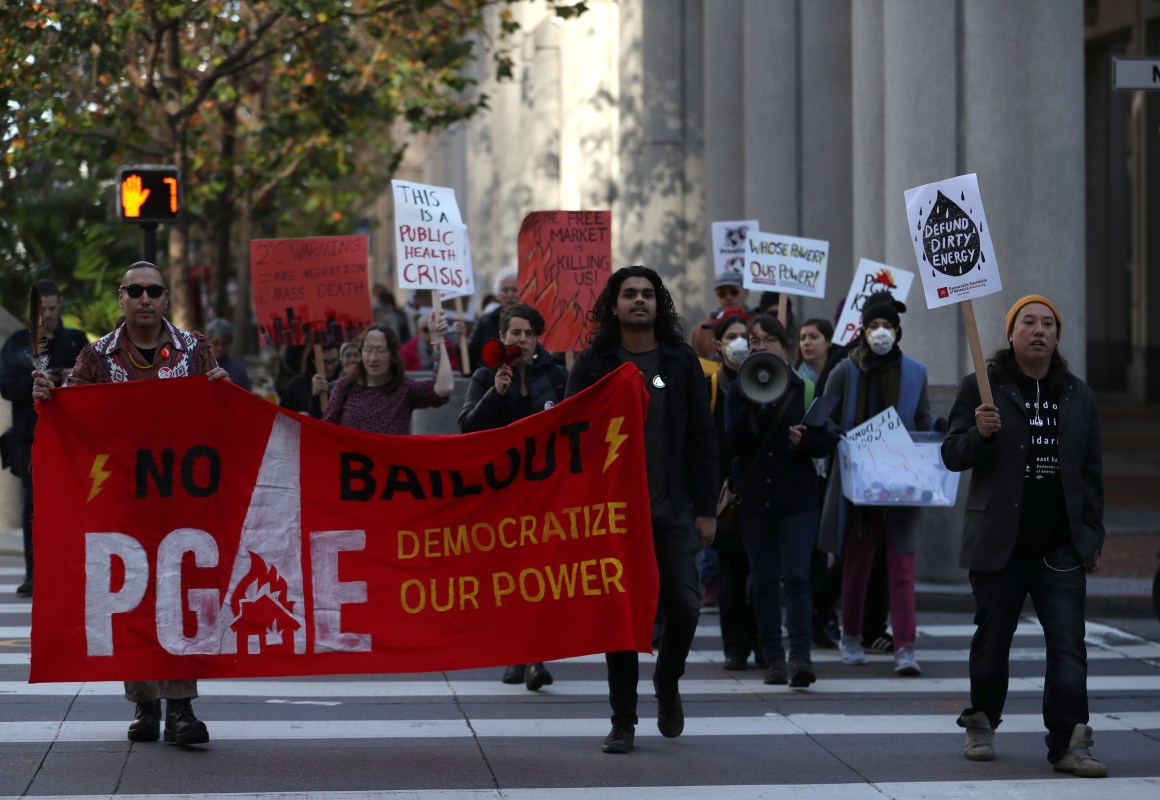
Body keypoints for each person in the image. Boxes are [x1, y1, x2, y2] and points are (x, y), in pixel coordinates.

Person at [31, 261, 229, 746]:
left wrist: (225, 394)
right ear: (121, 298)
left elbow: (220, 416)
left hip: (183, 498)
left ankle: (181, 708)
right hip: (122, 500)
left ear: (166, 299)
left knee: (180, 595)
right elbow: (76, 414)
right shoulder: (95, 357)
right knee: (132, 594)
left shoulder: (194, 350)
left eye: (154, 291)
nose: (145, 298)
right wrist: (49, 399)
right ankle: (144, 704)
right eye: (135, 290)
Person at [941, 295, 1107, 777]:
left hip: (1060, 548)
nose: (1039, 330)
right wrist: (979, 434)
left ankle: (1069, 742)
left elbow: (1091, 473)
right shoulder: (982, 387)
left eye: (1048, 324)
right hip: (1000, 545)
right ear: (1011, 334)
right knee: (992, 643)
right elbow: (952, 454)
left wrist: (1091, 536)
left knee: (1069, 648)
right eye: (1028, 323)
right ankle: (982, 722)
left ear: (1057, 337)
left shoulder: (1080, 395)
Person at [565, 265, 717, 755]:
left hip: (673, 511)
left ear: (659, 304)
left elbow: (702, 438)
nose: (638, 301)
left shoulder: (679, 361)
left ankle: (667, 680)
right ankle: (623, 722)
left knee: (686, 608)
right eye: (628, 294)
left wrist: (706, 509)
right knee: (623, 619)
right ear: (613, 305)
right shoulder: (593, 364)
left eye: (647, 295)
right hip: (614, 517)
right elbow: (572, 437)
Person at [819, 290, 937, 677]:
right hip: (859, 484)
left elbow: (922, 421)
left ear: (898, 331)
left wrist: (937, 436)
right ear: (863, 330)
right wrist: (843, 438)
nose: (881, 332)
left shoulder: (916, 373)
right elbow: (824, 417)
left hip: (902, 483)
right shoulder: (844, 371)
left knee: (902, 565)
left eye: (887, 326)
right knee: (857, 563)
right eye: (874, 326)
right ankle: (851, 636)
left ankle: (906, 647)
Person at [458, 303, 569, 690]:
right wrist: (495, 393)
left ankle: (534, 658)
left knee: (538, 574)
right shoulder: (487, 375)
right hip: (502, 495)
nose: (520, 340)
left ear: (538, 338)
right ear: (501, 337)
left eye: (527, 333)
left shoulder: (557, 375)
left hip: (545, 493)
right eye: (513, 333)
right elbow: (467, 428)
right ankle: (515, 654)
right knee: (508, 577)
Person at [726, 315, 836, 687]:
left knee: (797, 578)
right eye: (754, 341)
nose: (759, 346)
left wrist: (806, 441)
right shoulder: (738, 390)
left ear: (783, 346)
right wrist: (754, 408)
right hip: (755, 501)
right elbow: (732, 443)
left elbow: (827, 439)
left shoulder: (803, 388)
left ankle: (800, 658)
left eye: (767, 340)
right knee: (765, 580)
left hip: (797, 500)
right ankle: (774, 657)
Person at [0, 280, 88, 597]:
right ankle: (34, 573)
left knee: (73, 503)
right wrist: (36, 382)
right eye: (42, 309)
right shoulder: (17, 343)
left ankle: (71, 569)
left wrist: (69, 379)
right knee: (32, 503)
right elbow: (6, 386)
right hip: (30, 436)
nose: (48, 315)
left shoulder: (76, 341)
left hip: (71, 438)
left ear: (60, 304)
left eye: (52, 308)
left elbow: (95, 383)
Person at [706, 315, 762, 671]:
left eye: (746, 336)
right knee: (730, 575)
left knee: (763, 574)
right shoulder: (709, 385)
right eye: (733, 337)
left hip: (758, 492)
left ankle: (762, 641)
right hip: (723, 496)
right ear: (719, 345)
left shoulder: (763, 377)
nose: (740, 343)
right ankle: (735, 647)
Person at [322, 316, 453, 435]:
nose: (373, 358)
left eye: (380, 351)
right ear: (361, 352)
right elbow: (326, 430)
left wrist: (439, 340)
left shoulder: (405, 389)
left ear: (393, 354)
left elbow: (445, 387)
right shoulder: (345, 386)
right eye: (368, 350)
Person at [689, 272, 751, 360]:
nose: (728, 297)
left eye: (734, 292)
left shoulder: (757, 324)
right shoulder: (702, 330)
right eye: (722, 294)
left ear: (746, 292)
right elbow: (695, 364)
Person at [468, 267, 520, 368]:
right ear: (498, 294)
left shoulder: (531, 320)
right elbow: (472, 356)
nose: (510, 295)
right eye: (505, 290)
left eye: (514, 290)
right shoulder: (485, 321)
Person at [280, 344, 339, 419]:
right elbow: (281, 416)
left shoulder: (341, 383)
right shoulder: (297, 385)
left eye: (334, 361)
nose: (330, 367)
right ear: (313, 360)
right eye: (325, 362)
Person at [206, 318, 252, 391]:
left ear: (230, 343)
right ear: (209, 343)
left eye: (224, 343)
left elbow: (247, 398)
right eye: (215, 343)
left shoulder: (239, 371)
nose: (220, 347)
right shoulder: (202, 368)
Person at [794, 318, 834, 383]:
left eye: (813, 337)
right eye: (802, 338)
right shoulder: (795, 377)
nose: (806, 343)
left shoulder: (843, 370)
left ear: (829, 342)